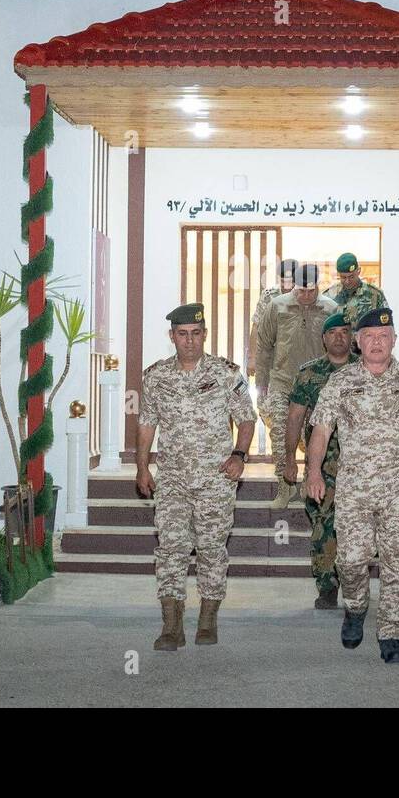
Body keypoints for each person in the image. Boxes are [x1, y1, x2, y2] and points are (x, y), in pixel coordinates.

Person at [307, 308, 399, 664]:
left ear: (394, 340)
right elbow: (321, 430)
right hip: (355, 491)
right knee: (350, 562)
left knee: (398, 565)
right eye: (369, 337)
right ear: (357, 342)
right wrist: (314, 472)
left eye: (384, 337)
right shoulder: (341, 382)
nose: (377, 342)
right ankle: (355, 607)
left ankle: (391, 634)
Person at [137, 302, 256, 651]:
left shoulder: (226, 374)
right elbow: (146, 423)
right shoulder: (155, 376)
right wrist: (143, 466)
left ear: (205, 335)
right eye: (182, 334)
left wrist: (239, 454)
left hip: (215, 479)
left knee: (210, 549)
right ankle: (171, 625)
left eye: (196, 334)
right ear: (172, 336)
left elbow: (247, 418)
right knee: (171, 548)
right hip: (172, 477)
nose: (189, 341)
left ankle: (207, 618)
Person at [282, 313, 354, 609]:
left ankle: (352, 580)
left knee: (355, 525)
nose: (339, 337)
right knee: (324, 525)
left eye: (344, 332)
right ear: (323, 338)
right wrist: (290, 459)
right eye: (332, 332)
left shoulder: (366, 370)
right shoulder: (309, 373)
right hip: (321, 463)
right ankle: (327, 585)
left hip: (360, 464)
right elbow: (295, 416)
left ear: (352, 337)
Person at [256, 264, 339, 508]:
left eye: (310, 291)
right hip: (283, 383)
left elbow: (338, 349)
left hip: (317, 387)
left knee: (313, 437)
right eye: (301, 291)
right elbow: (264, 347)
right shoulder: (277, 306)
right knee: (281, 435)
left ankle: (308, 483)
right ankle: (284, 486)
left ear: (318, 286)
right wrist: (262, 387)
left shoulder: (330, 309)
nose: (305, 296)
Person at [322, 253, 388, 329]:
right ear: (338, 274)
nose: (347, 281)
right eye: (343, 277)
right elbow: (322, 327)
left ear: (358, 271)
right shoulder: (329, 295)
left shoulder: (375, 294)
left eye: (351, 277)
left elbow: (385, 325)